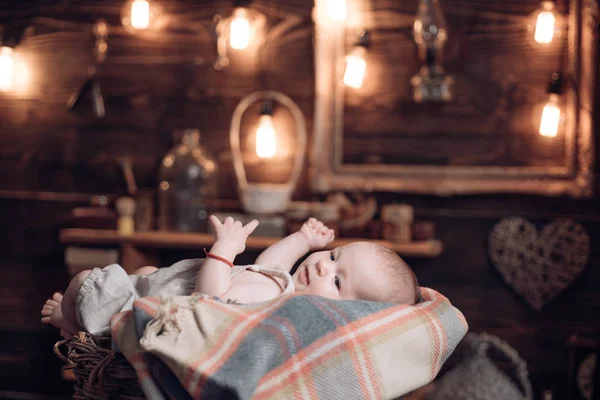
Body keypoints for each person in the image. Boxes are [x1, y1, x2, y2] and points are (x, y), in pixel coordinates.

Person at [41, 216, 420, 338]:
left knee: (87, 281)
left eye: (338, 280)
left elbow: (210, 301)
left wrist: (224, 251)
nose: (324, 265)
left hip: (157, 308)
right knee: (144, 272)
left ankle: (73, 321)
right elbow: (273, 263)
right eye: (335, 256)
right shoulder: (285, 286)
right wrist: (303, 239)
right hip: (164, 284)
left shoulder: (275, 310)